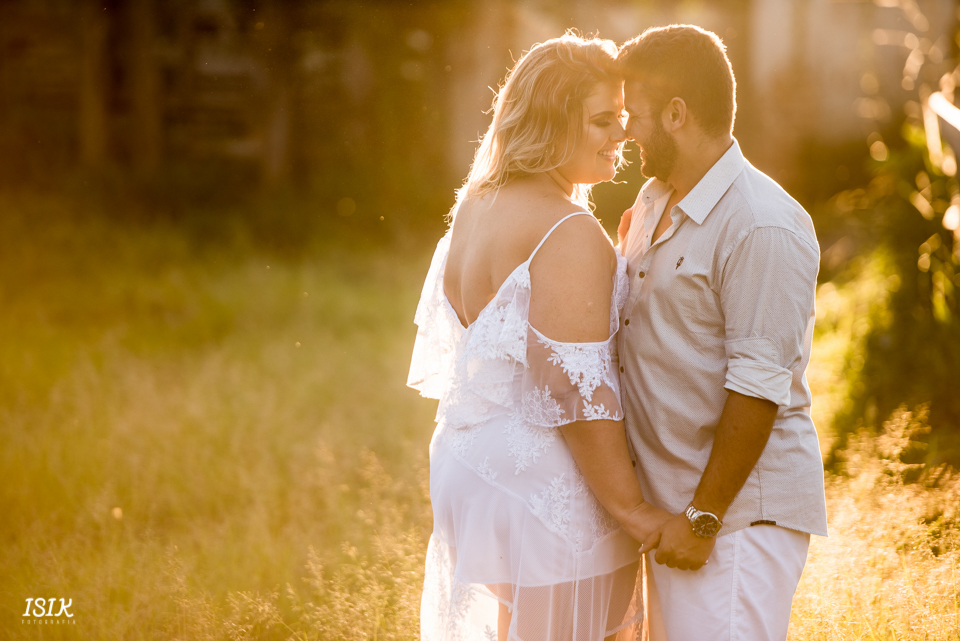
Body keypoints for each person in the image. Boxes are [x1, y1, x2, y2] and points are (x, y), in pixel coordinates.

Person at [408, 33, 672, 641]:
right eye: (603, 120)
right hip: (543, 490)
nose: (622, 136)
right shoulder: (567, 229)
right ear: (553, 122)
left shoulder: (478, 203)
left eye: (623, 119)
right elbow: (576, 391)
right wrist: (632, 508)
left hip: (471, 468)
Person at [615, 25, 829, 640]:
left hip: (734, 523)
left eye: (636, 114)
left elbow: (759, 386)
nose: (628, 132)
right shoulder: (656, 200)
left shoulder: (762, 224)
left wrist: (704, 517)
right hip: (674, 512)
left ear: (676, 114)